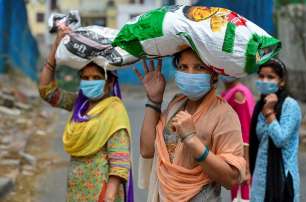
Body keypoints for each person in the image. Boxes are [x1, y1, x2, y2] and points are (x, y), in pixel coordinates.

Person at [134, 48, 246, 202]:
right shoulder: (176, 104)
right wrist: (154, 100)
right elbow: (147, 150)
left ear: (214, 74)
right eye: (183, 67)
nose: (190, 74)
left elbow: (231, 178)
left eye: (199, 67)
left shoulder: (224, 115)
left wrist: (192, 139)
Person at [39, 26, 133, 202]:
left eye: (96, 78)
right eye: (85, 78)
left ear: (110, 81)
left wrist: (110, 196)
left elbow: (120, 161)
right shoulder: (79, 105)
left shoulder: (114, 111)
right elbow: (48, 92)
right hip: (76, 191)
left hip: (102, 192)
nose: (90, 82)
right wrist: (54, 50)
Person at [249, 59, 301, 202]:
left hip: (282, 178)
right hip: (260, 178)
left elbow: (281, 140)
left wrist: (270, 114)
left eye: (270, 77)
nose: (264, 81)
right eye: (261, 76)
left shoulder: (290, 106)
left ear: (282, 81)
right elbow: (255, 143)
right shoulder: (259, 106)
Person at [220, 76, 255, 201]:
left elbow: (245, 132)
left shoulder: (238, 94)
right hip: (232, 153)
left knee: (241, 196)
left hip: (240, 155)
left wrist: (246, 166)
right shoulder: (227, 93)